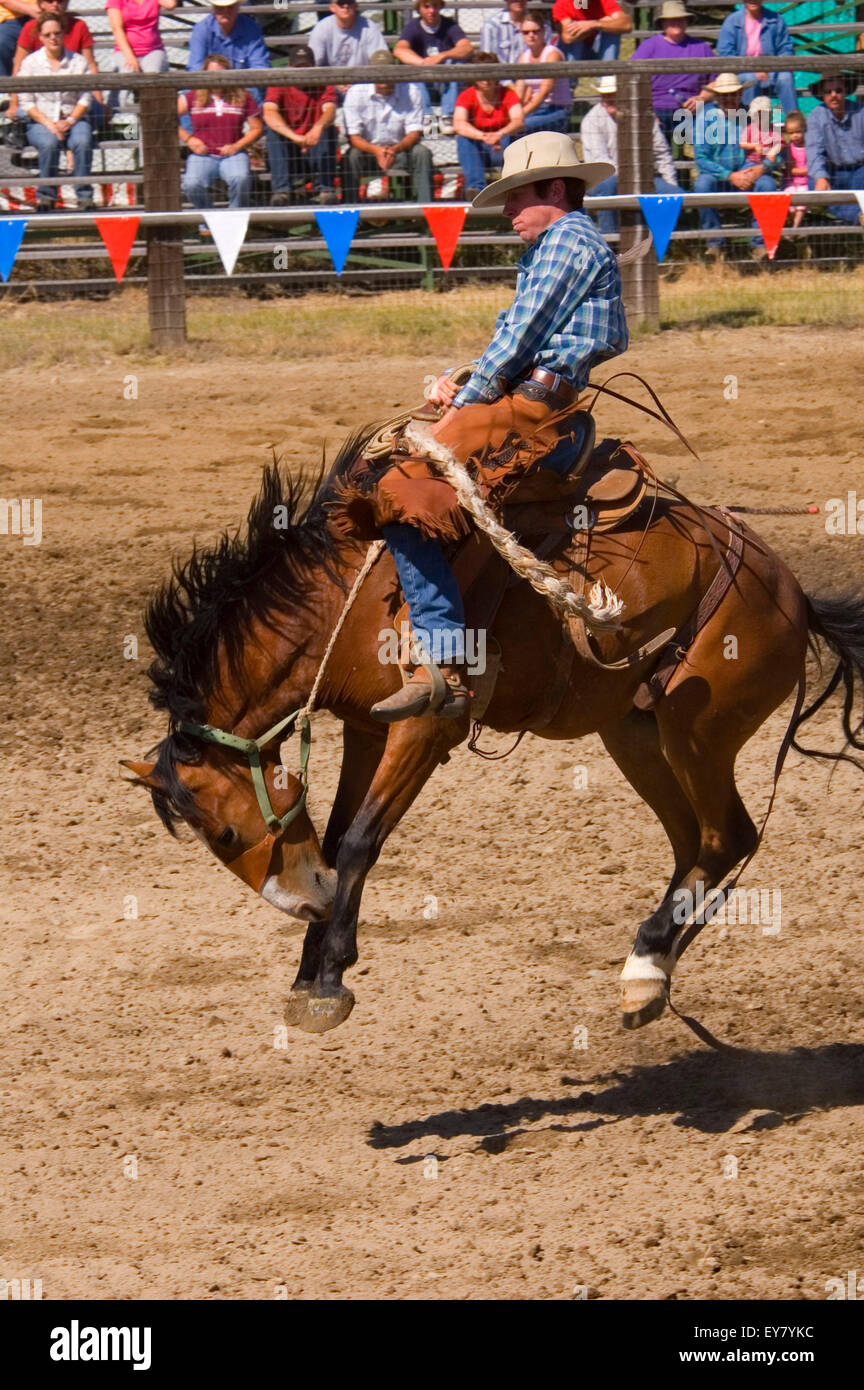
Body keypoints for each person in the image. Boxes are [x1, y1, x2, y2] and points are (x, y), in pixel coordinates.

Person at [368, 130, 624, 722]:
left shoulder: (567, 243)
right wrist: (459, 383)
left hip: (533, 410)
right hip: (529, 398)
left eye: (516, 196)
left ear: (556, 189)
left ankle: (443, 659)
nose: (507, 210)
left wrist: (463, 406)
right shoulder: (554, 246)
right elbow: (512, 338)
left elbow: (520, 336)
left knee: (401, 492)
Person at [580, 75, 680, 236]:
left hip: (645, 177)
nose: (608, 99)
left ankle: (660, 246)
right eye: (605, 95)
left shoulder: (644, 117)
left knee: (675, 194)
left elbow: (661, 153)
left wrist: (670, 182)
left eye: (613, 94)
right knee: (607, 187)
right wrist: (632, 178)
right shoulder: (591, 120)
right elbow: (601, 162)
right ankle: (610, 243)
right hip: (605, 179)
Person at [692, 72, 778, 256]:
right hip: (718, 176)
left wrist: (762, 168)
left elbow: (776, 149)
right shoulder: (704, 119)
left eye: (733, 94)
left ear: (740, 95)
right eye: (724, 95)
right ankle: (715, 243)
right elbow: (701, 158)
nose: (728, 99)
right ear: (716, 97)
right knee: (702, 185)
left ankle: (760, 244)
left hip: (749, 171)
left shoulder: (754, 116)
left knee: (767, 184)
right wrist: (730, 176)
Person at [18, 11, 93, 210]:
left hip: (74, 118)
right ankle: (46, 195)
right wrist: (49, 124)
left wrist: (69, 121)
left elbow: (86, 96)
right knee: (49, 143)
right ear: (40, 37)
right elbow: (26, 101)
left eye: (57, 33)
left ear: (63, 34)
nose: (53, 38)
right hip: (41, 120)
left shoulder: (78, 61)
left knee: (82, 141)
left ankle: (84, 195)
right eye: (48, 34)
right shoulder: (30, 63)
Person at [341, 49, 432, 204]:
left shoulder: (411, 91)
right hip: (368, 152)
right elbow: (354, 138)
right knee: (351, 156)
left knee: (422, 153)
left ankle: (427, 210)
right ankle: (349, 210)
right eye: (379, 73)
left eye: (388, 72)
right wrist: (377, 151)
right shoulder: (355, 92)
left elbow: (414, 133)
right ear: (371, 74)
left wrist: (393, 150)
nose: (384, 79)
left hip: (400, 151)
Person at [178, 53, 263, 209]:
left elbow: (256, 128)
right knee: (191, 184)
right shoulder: (192, 97)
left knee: (240, 178)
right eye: (211, 74)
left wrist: (236, 146)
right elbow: (167, 119)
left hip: (233, 153)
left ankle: (234, 218)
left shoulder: (243, 96)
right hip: (202, 153)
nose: (216, 78)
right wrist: (189, 139)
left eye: (220, 73)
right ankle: (209, 217)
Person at [630, 1, 715, 146]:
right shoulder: (649, 46)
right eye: (671, 19)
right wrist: (646, 108)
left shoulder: (701, 48)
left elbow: (717, 81)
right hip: (657, 108)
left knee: (713, 120)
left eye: (680, 19)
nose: (676, 22)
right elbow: (632, 79)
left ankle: (708, 165)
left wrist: (701, 98)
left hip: (692, 109)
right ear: (663, 23)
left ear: (687, 22)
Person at [262, 43, 337, 206]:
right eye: (298, 67)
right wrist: (294, 137)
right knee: (273, 132)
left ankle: (326, 189)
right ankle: (281, 191)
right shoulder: (279, 81)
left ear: (313, 67)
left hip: (315, 146)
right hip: (289, 151)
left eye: (306, 67)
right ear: (289, 67)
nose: (302, 72)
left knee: (328, 128)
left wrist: (317, 128)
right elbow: (269, 112)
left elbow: (330, 110)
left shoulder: (324, 82)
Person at [7, 0, 99, 128]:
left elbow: (90, 64)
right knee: (21, 113)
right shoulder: (30, 27)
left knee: (98, 113)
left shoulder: (79, 26)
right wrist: (14, 102)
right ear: (41, 4)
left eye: (60, 1)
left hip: (73, 94)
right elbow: (19, 65)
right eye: (50, 0)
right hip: (40, 97)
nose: (55, 4)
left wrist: (99, 99)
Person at [453, 53, 524, 199]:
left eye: (489, 74)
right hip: (478, 149)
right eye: (481, 74)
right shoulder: (467, 95)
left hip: (503, 146)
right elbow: (458, 124)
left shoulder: (508, 94)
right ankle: (476, 190)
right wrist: (483, 136)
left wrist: (500, 134)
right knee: (463, 140)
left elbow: (518, 120)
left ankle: (512, 187)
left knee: (514, 138)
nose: (486, 79)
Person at [393, 0, 472, 133]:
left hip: (445, 81)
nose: (431, 11)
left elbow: (467, 48)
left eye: (435, 6)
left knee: (453, 63)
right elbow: (399, 50)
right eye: (427, 7)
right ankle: (428, 117)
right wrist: (422, 63)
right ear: (419, 9)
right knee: (413, 69)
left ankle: (448, 115)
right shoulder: (413, 27)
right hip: (423, 82)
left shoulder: (449, 25)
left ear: (440, 7)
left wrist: (443, 55)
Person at [716, 0, 796, 116]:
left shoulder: (776, 19)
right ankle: (749, 124)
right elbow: (725, 54)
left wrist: (771, 68)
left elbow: (786, 49)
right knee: (750, 79)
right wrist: (753, 70)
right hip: (743, 72)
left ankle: (794, 123)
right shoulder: (731, 22)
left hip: (773, 71)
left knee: (786, 78)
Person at [805, 72, 864, 228]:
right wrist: (820, 176)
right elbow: (813, 150)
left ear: (845, 91)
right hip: (833, 173)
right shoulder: (815, 116)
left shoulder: (861, 112)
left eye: (838, 90)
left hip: (859, 171)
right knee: (813, 184)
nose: (834, 95)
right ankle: (858, 216)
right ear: (822, 95)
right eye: (828, 92)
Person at [188, 0, 270, 103]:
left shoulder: (251, 28)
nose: (225, 12)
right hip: (210, 88)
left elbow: (260, 67)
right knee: (189, 96)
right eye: (220, 8)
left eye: (230, 7)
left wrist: (234, 87)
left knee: (255, 92)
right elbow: (195, 68)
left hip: (243, 88)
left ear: (238, 7)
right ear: (213, 8)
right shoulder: (201, 29)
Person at [514, 10, 571, 136]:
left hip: (555, 109)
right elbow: (519, 90)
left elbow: (544, 92)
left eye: (535, 31)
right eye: (526, 32)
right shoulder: (524, 57)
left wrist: (519, 115)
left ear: (543, 31)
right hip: (534, 108)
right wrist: (513, 111)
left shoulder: (552, 54)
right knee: (506, 126)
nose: (531, 35)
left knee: (515, 128)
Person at [308, 0, 386, 89]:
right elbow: (314, 64)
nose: (345, 6)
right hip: (330, 88)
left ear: (356, 6)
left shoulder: (369, 27)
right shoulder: (322, 28)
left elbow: (380, 61)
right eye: (341, 3)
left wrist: (358, 83)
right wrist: (334, 83)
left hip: (362, 86)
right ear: (332, 7)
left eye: (349, 2)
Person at [551, 0, 631, 69]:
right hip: (574, 51)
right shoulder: (563, 3)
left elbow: (626, 25)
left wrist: (593, 24)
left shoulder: (602, 2)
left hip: (598, 48)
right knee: (573, 33)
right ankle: (569, 83)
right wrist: (600, 23)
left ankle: (607, 80)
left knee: (612, 31)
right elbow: (567, 37)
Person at [481, 0, 553, 67]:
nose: (519, 1)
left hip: (532, 76)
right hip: (499, 77)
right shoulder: (491, 26)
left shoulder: (542, 26)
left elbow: (547, 56)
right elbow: (486, 60)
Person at [779, 108, 807, 228]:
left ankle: (795, 227)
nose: (795, 136)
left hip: (804, 183)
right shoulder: (789, 148)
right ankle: (792, 224)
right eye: (791, 133)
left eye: (798, 132)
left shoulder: (808, 147)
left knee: (801, 203)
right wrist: (805, 171)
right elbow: (791, 169)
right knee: (787, 202)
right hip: (791, 181)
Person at [0, 0, 37, 79]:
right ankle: (4, 88)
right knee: (1, 44)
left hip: (41, 13)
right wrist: (30, 9)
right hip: (10, 19)